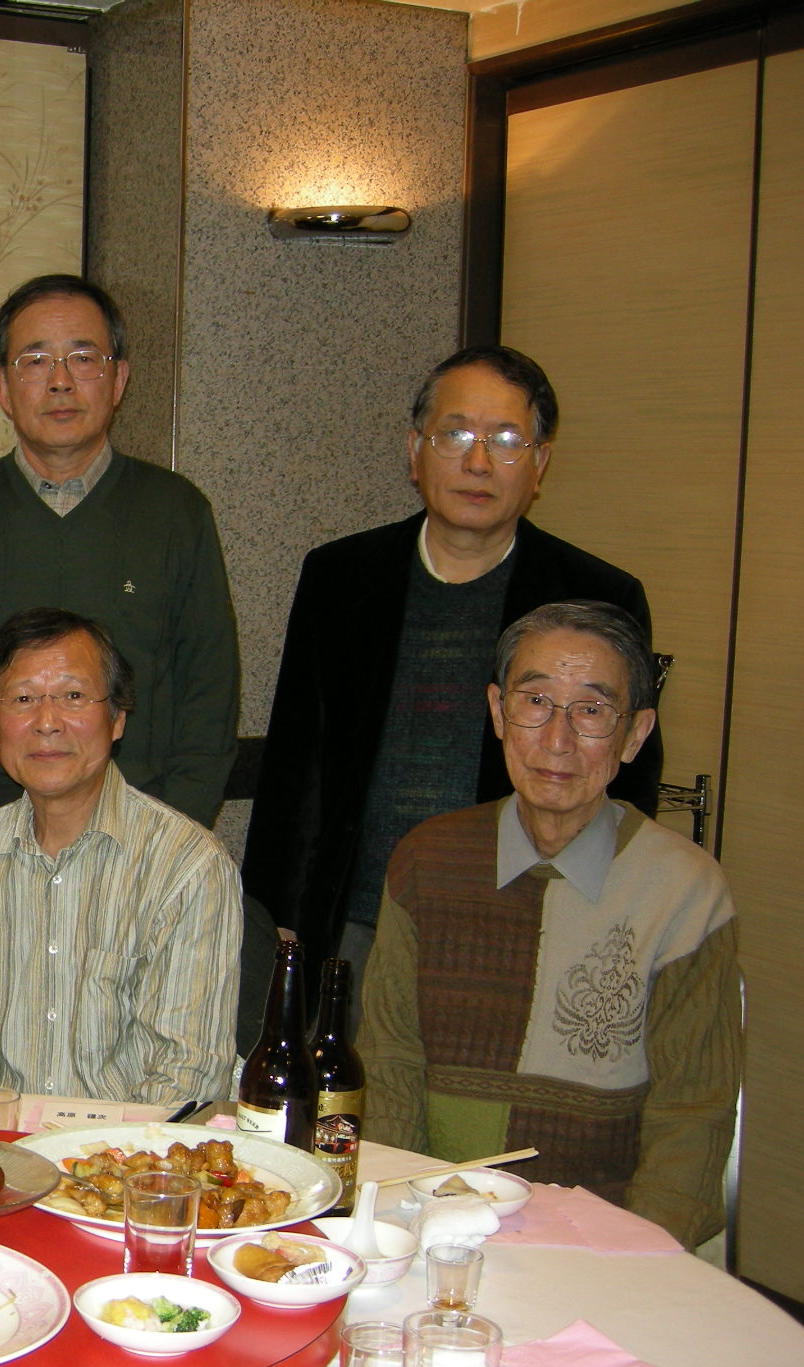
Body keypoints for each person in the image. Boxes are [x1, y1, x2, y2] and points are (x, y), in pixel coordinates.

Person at [245, 344, 660, 1019]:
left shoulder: (596, 596)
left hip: (523, 918)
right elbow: (298, 764)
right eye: (456, 435)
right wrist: (278, 922)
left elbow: (628, 782)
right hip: (356, 922)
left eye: (507, 440)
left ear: (540, 463)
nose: (478, 463)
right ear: (415, 450)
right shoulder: (340, 577)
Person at [0, 274, 238, 960]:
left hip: (136, 823)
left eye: (83, 357)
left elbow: (209, 697)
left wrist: (176, 839)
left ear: (119, 378)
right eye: (34, 360)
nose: (60, 381)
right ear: (4, 388)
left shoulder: (176, 514)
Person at [363, 602, 738, 1249]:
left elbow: (692, 1117)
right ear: (497, 711)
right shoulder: (426, 862)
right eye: (535, 701)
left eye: (591, 710)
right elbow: (389, 1066)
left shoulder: (685, 891)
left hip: (608, 1244)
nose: (557, 739)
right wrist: (404, 1224)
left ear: (634, 734)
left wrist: (632, 1259)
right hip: (433, 1230)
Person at [0, 609, 239, 1103]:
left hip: (131, 1146)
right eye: (23, 699)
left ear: (117, 718)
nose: (47, 723)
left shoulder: (187, 865)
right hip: (5, 1143)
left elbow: (187, 1080)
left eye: (73, 696)